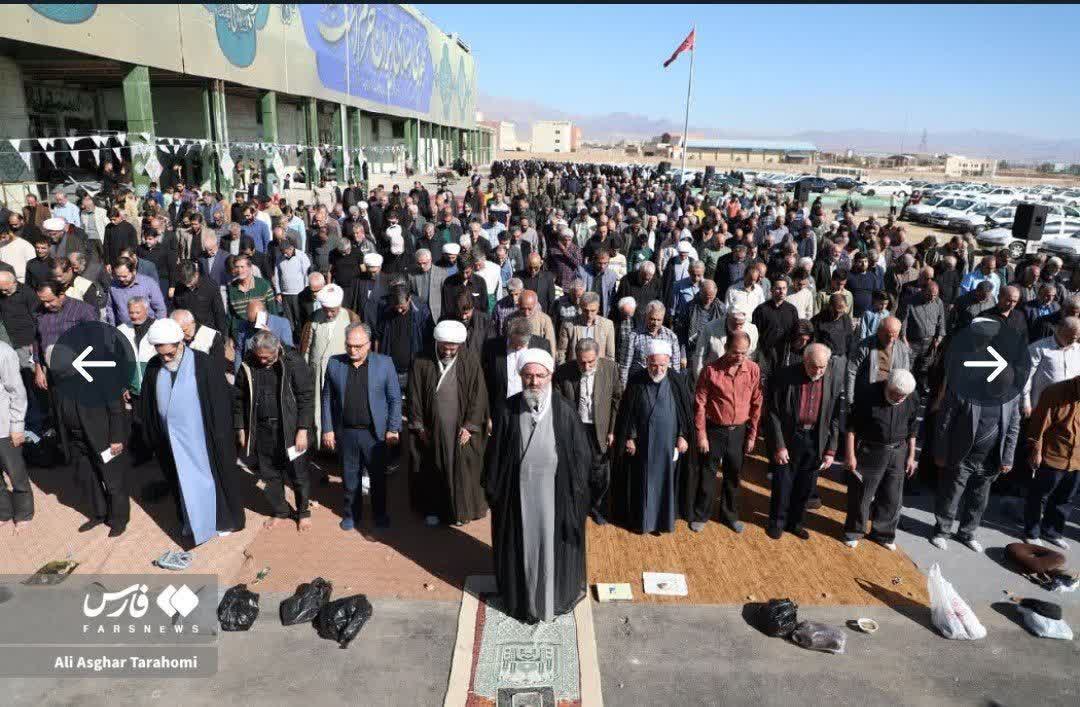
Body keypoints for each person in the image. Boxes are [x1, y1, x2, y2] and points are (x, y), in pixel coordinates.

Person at [483, 347, 601, 623]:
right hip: (516, 496)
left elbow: (581, 458)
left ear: (550, 376)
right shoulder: (507, 409)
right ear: (521, 376)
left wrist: (578, 495)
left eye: (540, 376)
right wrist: (495, 492)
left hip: (554, 496)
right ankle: (523, 600)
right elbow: (495, 457)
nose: (534, 382)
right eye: (528, 376)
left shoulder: (565, 411)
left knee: (552, 548)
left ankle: (550, 599)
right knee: (520, 546)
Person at [140, 318, 246, 544]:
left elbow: (219, 404)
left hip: (204, 439)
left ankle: (221, 521)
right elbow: (149, 405)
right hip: (172, 443)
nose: (166, 359)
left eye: (170, 353)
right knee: (181, 483)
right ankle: (191, 522)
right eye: (161, 354)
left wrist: (221, 437)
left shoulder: (204, 364)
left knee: (211, 480)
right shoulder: (153, 367)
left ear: (180, 344)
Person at [407, 320, 489, 526]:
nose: (449, 350)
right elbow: (414, 393)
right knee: (432, 469)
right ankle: (433, 510)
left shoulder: (470, 360)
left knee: (460, 471)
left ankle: (458, 512)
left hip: (460, 430)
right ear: (437, 342)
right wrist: (419, 425)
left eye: (453, 347)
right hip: (431, 429)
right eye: (445, 346)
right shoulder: (421, 360)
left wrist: (470, 425)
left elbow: (479, 396)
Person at [321, 323, 402, 530]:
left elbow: (394, 399)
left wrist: (393, 428)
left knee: (378, 478)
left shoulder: (384, 363)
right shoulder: (334, 363)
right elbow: (327, 398)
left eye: (358, 346)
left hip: (375, 434)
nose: (353, 350)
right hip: (347, 432)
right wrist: (327, 428)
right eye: (349, 345)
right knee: (349, 477)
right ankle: (351, 514)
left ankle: (380, 514)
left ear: (369, 344)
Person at [234, 330, 315, 532]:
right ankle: (280, 511)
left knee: (298, 473)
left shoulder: (293, 362)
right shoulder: (248, 364)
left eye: (267, 357)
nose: (262, 361)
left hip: (290, 428)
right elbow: (238, 398)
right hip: (262, 429)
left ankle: (303, 512)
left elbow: (306, 397)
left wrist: (303, 429)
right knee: (270, 475)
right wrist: (241, 427)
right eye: (259, 356)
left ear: (277, 348)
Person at [611, 339, 693, 534]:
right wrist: (629, 437)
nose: (658, 369)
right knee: (643, 483)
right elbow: (626, 412)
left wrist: (682, 436)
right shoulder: (636, 379)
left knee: (666, 482)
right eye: (653, 364)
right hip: (642, 445)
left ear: (668, 362)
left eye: (662, 365)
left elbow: (685, 412)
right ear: (646, 361)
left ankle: (663, 522)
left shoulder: (676, 380)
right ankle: (643, 522)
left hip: (667, 445)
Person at [764, 343, 843, 540]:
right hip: (790, 437)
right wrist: (779, 445)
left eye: (822, 367)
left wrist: (831, 450)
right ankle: (777, 523)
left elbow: (834, 416)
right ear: (804, 361)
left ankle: (795, 523)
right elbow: (772, 414)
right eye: (814, 366)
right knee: (783, 484)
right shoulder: (784, 376)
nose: (818, 371)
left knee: (805, 486)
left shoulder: (832, 378)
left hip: (815, 439)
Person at [930, 389, 1020, 552]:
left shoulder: (1011, 396)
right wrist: (941, 453)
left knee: (979, 500)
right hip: (961, 455)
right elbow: (945, 421)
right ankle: (941, 532)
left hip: (990, 460)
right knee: (951, 495)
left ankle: (966, 533)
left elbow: (1013, 427)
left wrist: (1007, 458)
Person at [842, 370, 920, 550]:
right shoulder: (868, 395)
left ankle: (883, 534)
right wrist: (850, 455)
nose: (900, 399)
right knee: (862, 495)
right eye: (896, 394)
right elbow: (851, 427)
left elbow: (912, 428)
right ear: (887, 386)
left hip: (899, 450)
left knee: (892, 497)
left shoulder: (912, 396)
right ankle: (854, 531)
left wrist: (911, 456)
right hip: (871, 450)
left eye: (903, 396)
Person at [693, 331, 761, 534]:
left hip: (739, 431)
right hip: (715, 430)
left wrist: (752, 435)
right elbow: (700, 404)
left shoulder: (753, 370)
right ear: (726, 348)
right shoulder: (711, 370)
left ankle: (729, 515)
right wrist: (701, 435)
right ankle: (701, 515)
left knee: (734, 476)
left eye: (744, 353)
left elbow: (757, 403)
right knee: (707, 475)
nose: (740, 356)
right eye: (735, 352)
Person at [553, 338, 622, 524]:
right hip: (575, 429)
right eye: (582, 362)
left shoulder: (610, 369)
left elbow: (617, 400)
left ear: (598, 356)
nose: (586, 365)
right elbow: (557, 403)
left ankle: (597, 507)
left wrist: (612, 429)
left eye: (591, 362)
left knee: (599, 472)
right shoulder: (563, 372)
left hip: (599, 429)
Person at [1024, 375, 1080, 549]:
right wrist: (1036, 451)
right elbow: (1038, 426)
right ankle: (1032, 532)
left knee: (1065, 499)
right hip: (1053, 455)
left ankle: (1052, 531)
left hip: (1077, 459)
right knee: (1039, 495)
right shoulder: (1054, 392)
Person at [0, 340, 30, 534]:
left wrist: (17, 425)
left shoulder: (4, 352)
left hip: (3, 425)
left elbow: (17, 391)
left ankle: (24, 512)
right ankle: (3, 512)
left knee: (15, 473)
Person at [846, 316, 909, 407]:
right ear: (879, 331)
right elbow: (851, 371)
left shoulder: (902, 349)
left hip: (888, 398)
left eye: (894, 335)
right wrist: (850, 398)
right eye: (887, 335)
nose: (891, 339)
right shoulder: (864, 346)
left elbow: (904, 374)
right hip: (865, 396)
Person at [621, 300, 683, 381]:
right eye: (652, 319)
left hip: (664, 383)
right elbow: (625, 366)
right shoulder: (633, 336)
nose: (655, 323)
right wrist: (624, 388)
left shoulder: (671, 337)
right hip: (639, 382)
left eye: (659, 320)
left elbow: (675, 367)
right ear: (646, 316)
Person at [171, 260, 229, 335]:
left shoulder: (210, 286)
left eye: (190, 281)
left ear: (196, 274)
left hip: (206, 331)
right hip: (186, 332)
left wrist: (224, 335)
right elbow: (176, 308)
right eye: (184, 282)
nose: (187, 285)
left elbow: (219, 312)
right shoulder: (179, 287)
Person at [557, 291, 615, 364]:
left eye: (593, 311)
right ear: (580, 307)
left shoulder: (607, 325)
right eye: (585, 311)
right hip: (574, 370)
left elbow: (610, 355)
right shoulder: (568, 325)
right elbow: (561, 352)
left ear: (598, 307)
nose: (589, 315)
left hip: (599, 371)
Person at [272, 235, 311, 331]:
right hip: (285, 294)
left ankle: (300, 336)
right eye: (283, 252)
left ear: (291, 248)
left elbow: (307, 273)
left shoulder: (302, 256)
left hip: (299, 293)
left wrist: (306, 290)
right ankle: (291, 339)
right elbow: (276, 275)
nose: (285, 254)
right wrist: (278, 292)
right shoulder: (279, 258)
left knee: (299, 317)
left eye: (286, 252)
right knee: (288, 320)